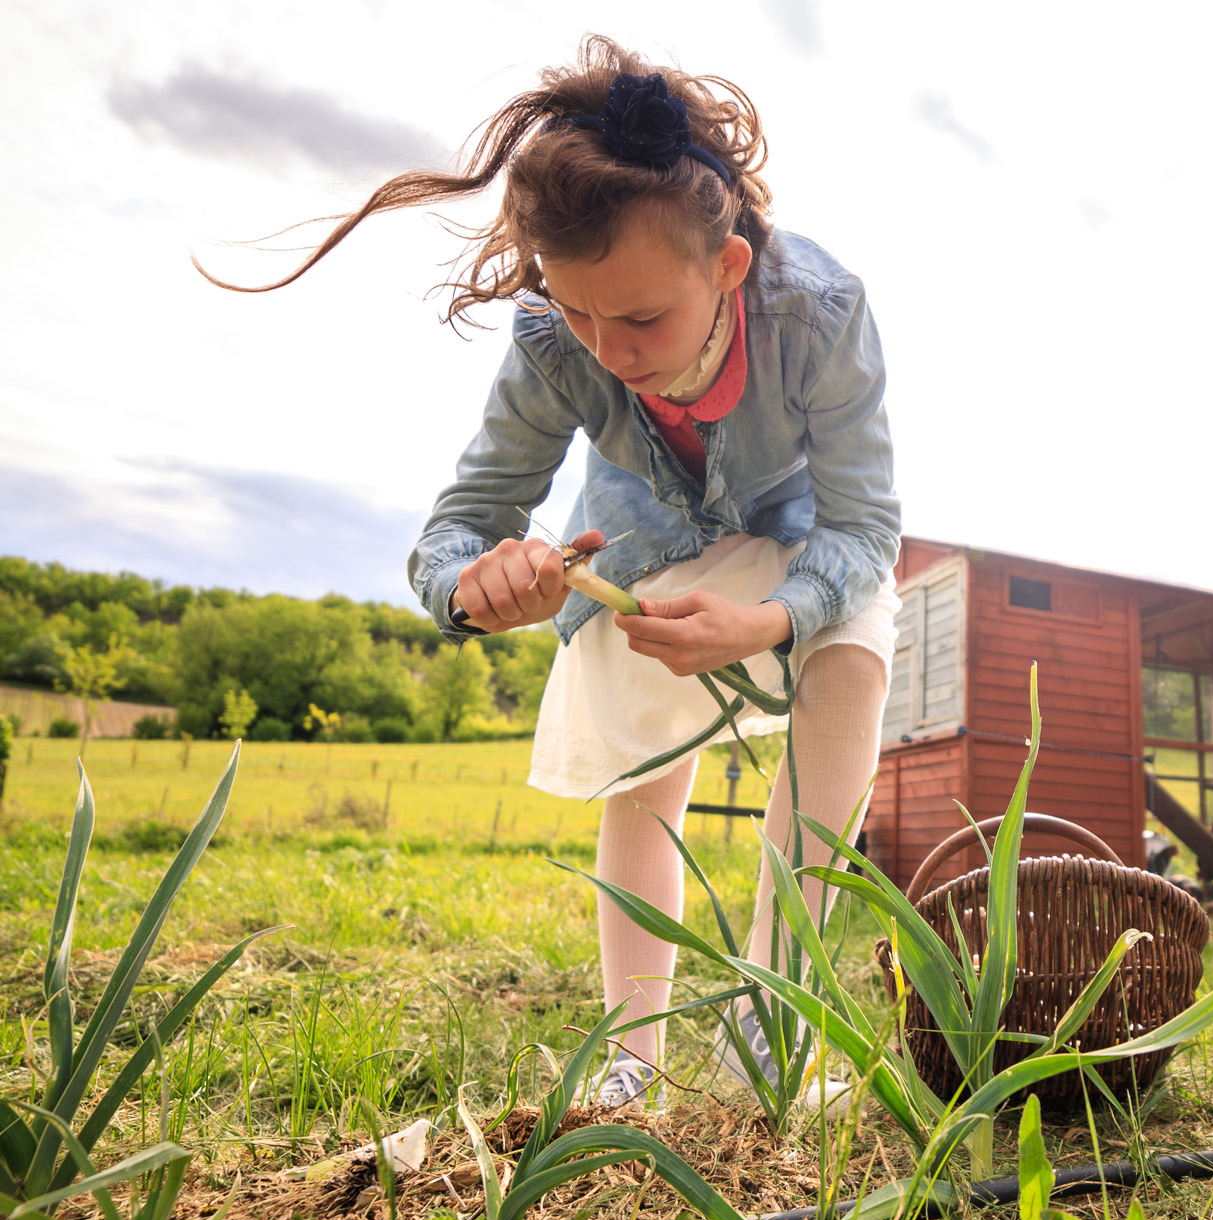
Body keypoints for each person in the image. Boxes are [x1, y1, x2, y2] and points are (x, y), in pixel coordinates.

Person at [206, 38, 900, 1108]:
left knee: (856, 641)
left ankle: (771, 1015)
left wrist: (770, 620)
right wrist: (478, 589)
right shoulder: (549, 342)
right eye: (577, 310)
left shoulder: (823, 315)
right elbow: (458, 530)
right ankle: (639, 1052)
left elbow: (865, 528)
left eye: (638, 318)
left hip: (794, 548)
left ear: (726, 270)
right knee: (639, 776)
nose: (607, 350)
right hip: (642, 556)